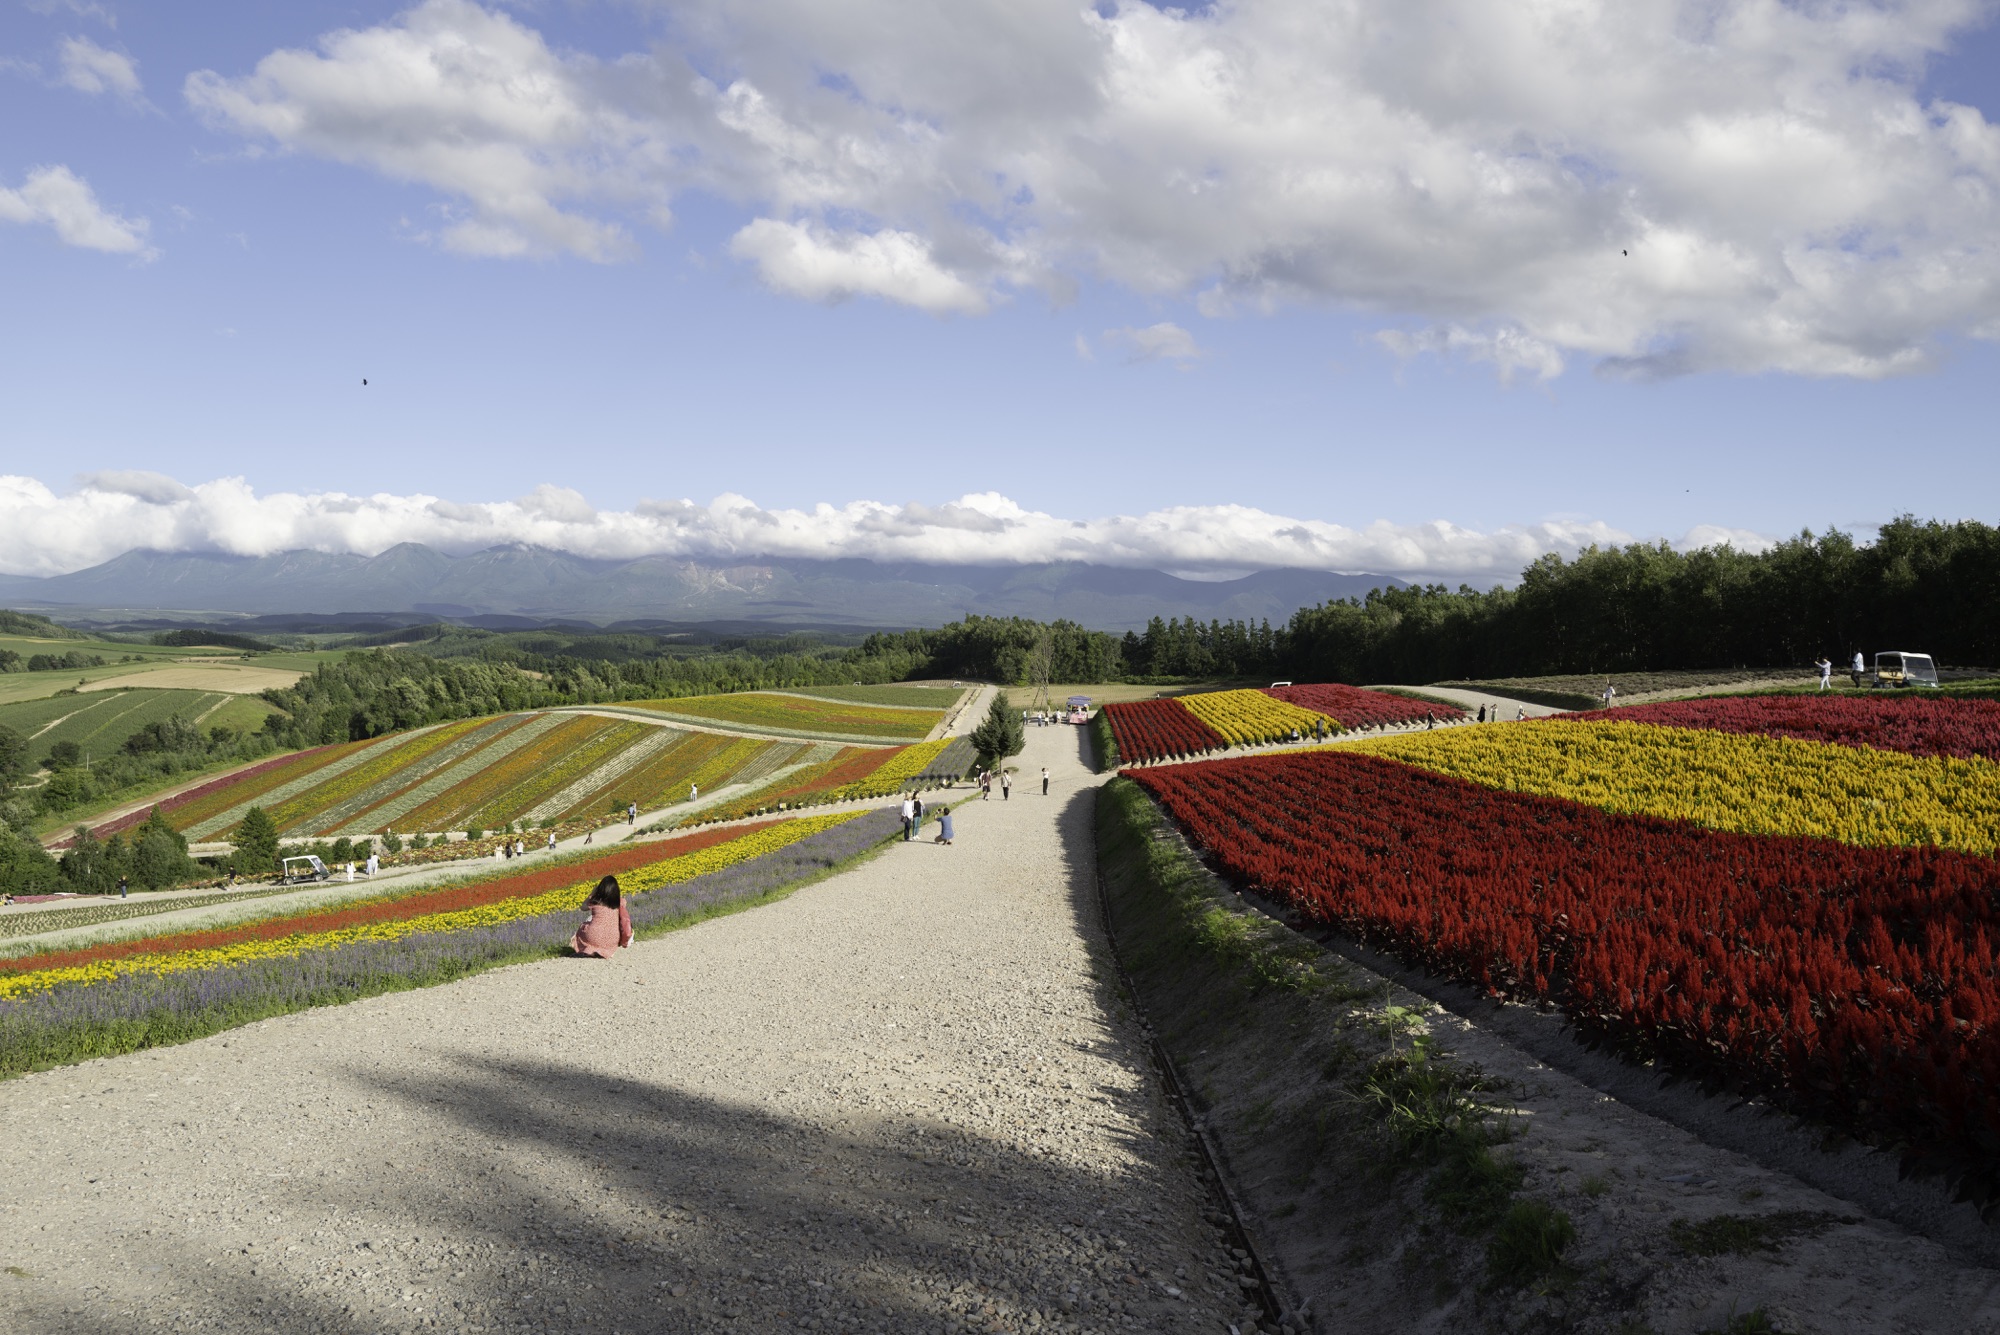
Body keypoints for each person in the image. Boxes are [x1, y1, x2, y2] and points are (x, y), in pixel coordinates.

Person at [569, 875, 634, 959]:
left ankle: (586, 949)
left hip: (593, 936)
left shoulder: (595, 901)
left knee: (584, 926)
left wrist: (592, 893)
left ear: (600, 889)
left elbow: (583, 907)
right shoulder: (620, 902)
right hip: (612, 939)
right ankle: (603, 950)